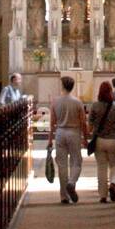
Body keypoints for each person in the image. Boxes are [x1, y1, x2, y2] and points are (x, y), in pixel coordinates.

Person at [47, 75, 88, 204]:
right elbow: (83, 122)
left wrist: (49, 139)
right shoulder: (77, 102)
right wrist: (85, 138)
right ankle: (72, 182)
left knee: (62, 164)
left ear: (63, 86)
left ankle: (63, 196)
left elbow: (52, 122)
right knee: (77, 161)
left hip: (60, 132)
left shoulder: (55, 101)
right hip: (74, 132)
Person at [88, 81, 115, 203]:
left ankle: (102, 195)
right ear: (111, 92)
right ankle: (113, 183)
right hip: (114, 140)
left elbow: (90, 127)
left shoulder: (95, 106)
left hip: (99, 140)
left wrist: (86, 137)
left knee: (101, 168)